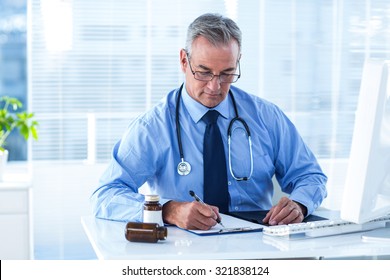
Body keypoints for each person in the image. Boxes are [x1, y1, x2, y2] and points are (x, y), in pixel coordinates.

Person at [91, 13, 327, 230]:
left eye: (227, 73)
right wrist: (168, 210)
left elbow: (310, 176)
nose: (215, 87)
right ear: (184, 61)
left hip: (258, 244)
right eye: (203, 72)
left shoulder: (266, 117)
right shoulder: (153, 127)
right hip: (185, 250)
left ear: (238, 61)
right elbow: (106, 195)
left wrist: (300, 204)